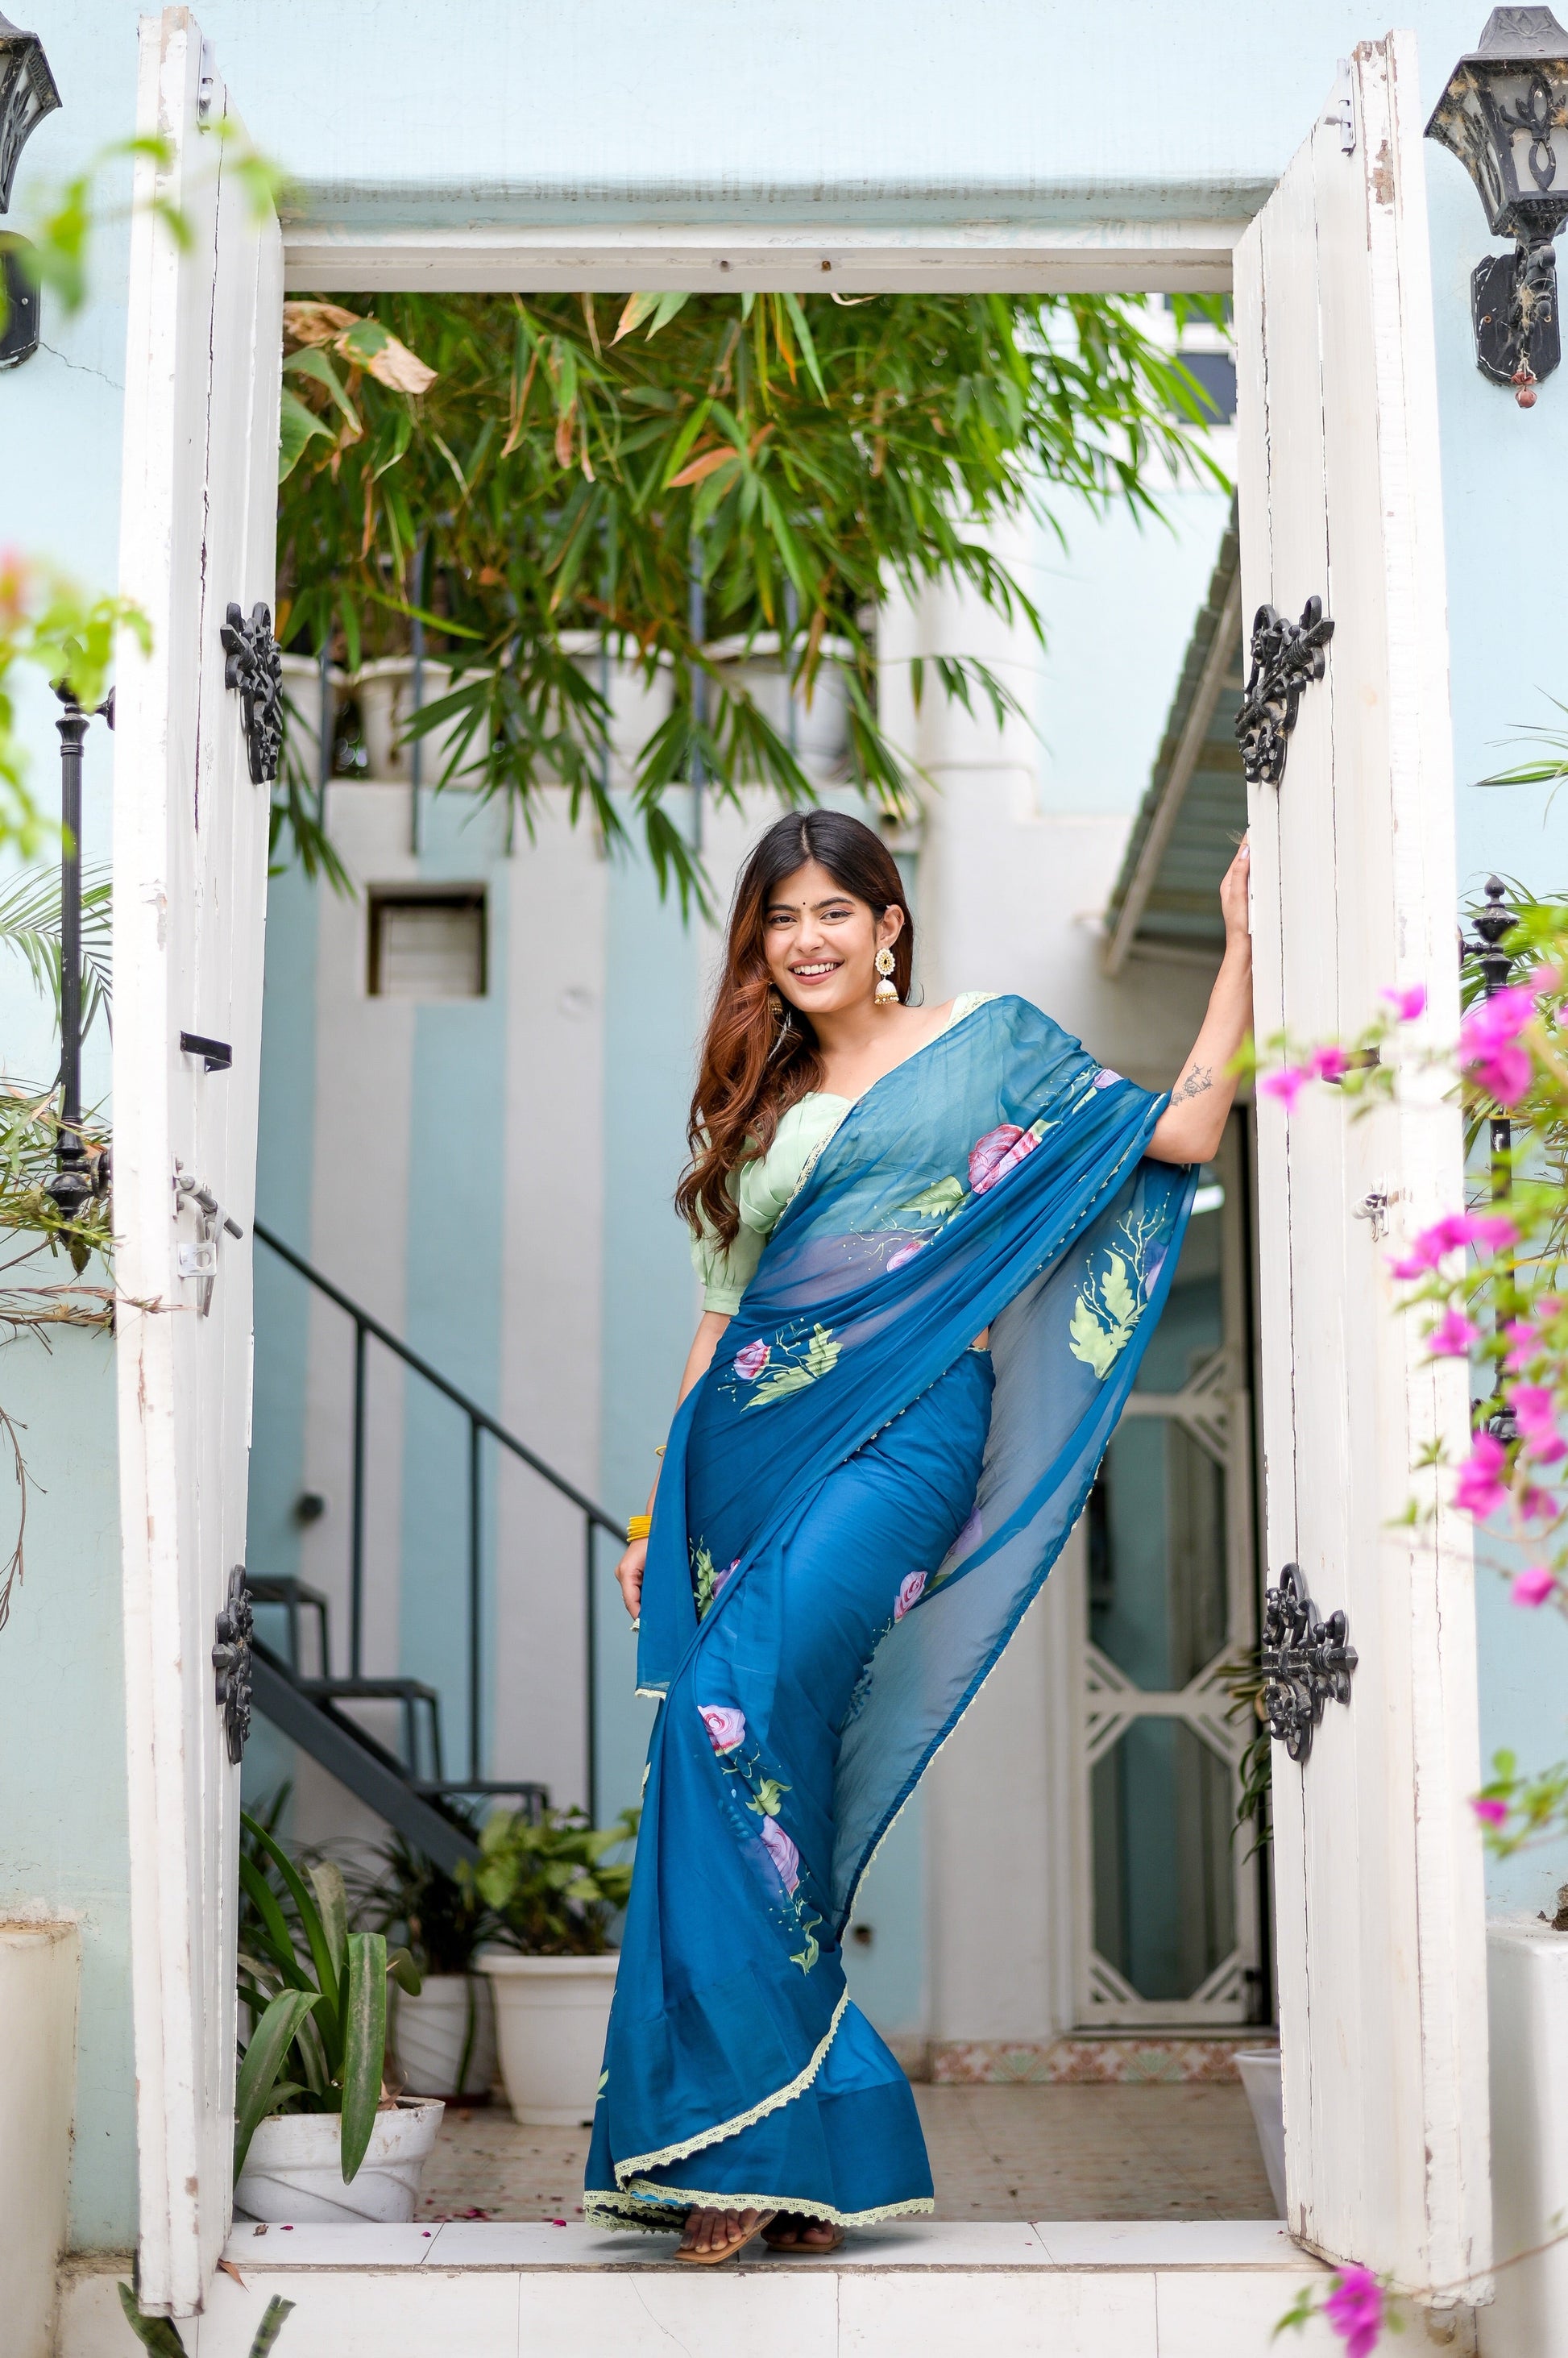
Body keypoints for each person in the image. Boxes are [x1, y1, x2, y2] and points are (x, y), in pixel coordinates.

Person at [583, 808, 1253, 2262]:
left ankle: (742, 2141)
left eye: (836, 909)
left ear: (890, 922)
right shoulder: (748, 1101)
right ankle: (810, 2151)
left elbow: (1181, 1131)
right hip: (739, 1455)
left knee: (722, 1722)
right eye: (781, 918)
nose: (808, 939)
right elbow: (719, 1319)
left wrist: (1243, 948)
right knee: (760, 1773)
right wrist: (657, 1507)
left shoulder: (991, 1049)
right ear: (759, 941)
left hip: (905, 1435)